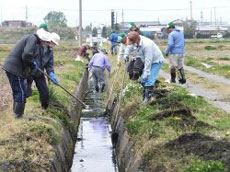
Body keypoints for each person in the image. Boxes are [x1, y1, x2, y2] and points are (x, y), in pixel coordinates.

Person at [2, 28, 51, 118]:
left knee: (18, 91)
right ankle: (18, 116)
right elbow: (27, 55)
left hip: (12, 67)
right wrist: (32, 64)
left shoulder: (30, 38)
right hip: (15, 68)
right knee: (20, 92)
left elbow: (26, 55)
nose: (44, 43)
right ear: (41, 39)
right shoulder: (32, 39)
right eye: (44, 41)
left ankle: (16, 115)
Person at [124, 31, 164, 102]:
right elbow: (129, 47)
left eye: (133, 42)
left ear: (137, 40)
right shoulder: (134, 40)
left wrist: (147, 71)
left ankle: (149, 98)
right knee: (143, 80)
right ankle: (146, 95)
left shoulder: (146, 45)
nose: (132, 44)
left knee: (149, 79)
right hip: (145, 60)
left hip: (155, 61)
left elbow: (149, 59)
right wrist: (126, 54)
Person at [26, 32, 60, 110]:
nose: (53, 45)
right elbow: (29, 55)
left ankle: (44, 109)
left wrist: (51, 74)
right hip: (29, 71)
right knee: (26, 92)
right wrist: (32, 63)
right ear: (50, 40)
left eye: (55, 44)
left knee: (45, 92)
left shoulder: (50, 51)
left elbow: (49, 65)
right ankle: (23, 111)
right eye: (53, 43)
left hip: (39, 72)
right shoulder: (38, 45)